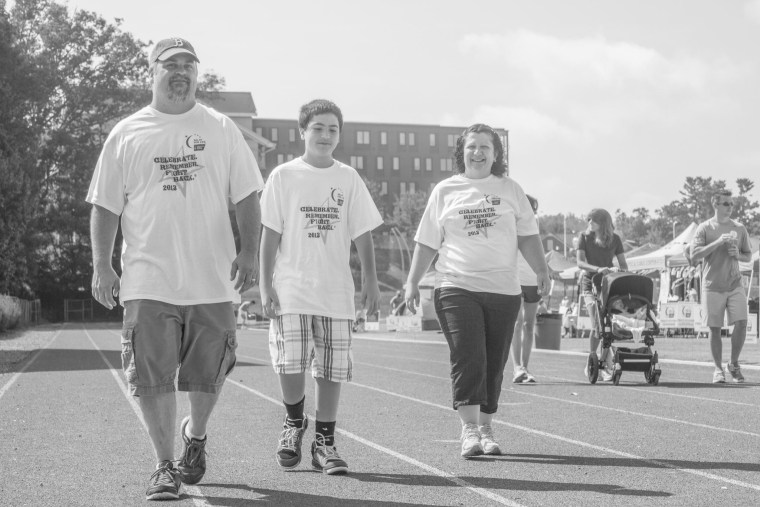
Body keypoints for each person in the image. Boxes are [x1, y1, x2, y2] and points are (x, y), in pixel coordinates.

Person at [87, 37, 263, 501]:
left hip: (211, 279)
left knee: (209, 375)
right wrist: (101, 264)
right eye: (171, 64)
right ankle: (163, 465)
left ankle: (196, 434)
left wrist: (248, 253)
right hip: (148, 278)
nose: (181, 71)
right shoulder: (127, 132)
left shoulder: (221, 128)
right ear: (153, 71)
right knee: (151, 378)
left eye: (189, 64)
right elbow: (105, 205)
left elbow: (247, 194)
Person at [404, 124, 549, 459]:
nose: (478, 152)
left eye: (485, 147)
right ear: (462, 152)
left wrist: (541, 269)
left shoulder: (511, 190)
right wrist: (412, 281)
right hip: (456, 285)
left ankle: (486, 426)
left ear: (496, 154)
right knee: (469, 354)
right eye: (471, 147)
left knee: (495, 362)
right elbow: (427, 241)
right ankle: (469, 429)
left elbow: (528, 236)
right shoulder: (445, 190)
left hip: (503, 290)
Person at [259, 99, 382, 475]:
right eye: (318, 128)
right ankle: (294, 423)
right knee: (289, 362)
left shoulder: (348, 178)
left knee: (331, 369)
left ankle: (324, 443)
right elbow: (270, 235)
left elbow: (363, 234)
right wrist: (265, 283)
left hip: (335, 291)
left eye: (332, 129)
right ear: (303, 132)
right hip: (292, 288)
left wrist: (371, 281)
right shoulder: (283, 176)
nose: (326, 135)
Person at [690, 190, 753, 383]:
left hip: (735, 284)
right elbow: (694, 256)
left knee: (742, 324)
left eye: (731, 204)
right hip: (712, 285)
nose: (730, 207)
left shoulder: (740, 228)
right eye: (726, 203)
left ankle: (733, 364)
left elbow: (748, 256)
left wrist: (737, 255)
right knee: (715, 329)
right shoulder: (704, 228)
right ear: (715, 204)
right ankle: (718, 369)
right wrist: (718, 242)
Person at [576, 208, 627, 381]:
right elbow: (580, 262)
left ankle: (604, 362)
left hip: (608, 285)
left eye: (593, 220)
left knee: (609, 326)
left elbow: (623, 264)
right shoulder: (584, 238)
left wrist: (619, 271)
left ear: (603, 223)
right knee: (597, 324)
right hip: (590, 284)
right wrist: (598, 269)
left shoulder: (615, 239)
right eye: (588, 219)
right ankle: (592, 360)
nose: (589, 223)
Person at [512, 195, 541, 384]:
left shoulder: (536, 222)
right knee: (517, 323)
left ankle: (526, 366)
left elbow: (536, 248)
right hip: (515, 277)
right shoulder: (509, 221)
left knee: (529, 325)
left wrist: (544, 271)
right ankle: (517, 368)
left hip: (533, 279)